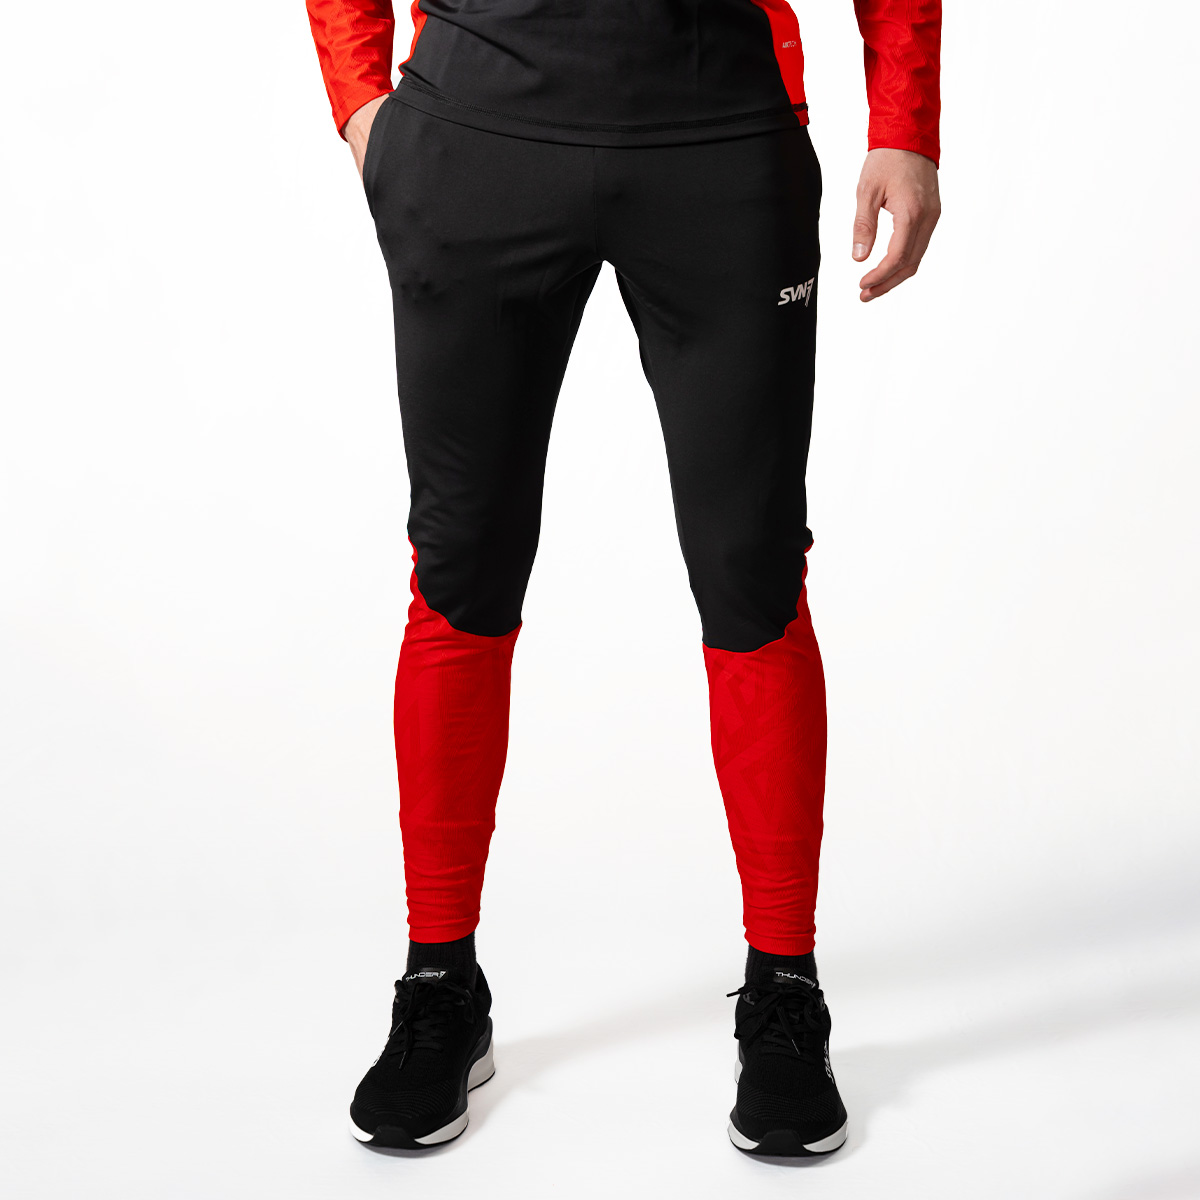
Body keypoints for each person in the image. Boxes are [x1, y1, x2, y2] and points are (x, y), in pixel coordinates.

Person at [306, 0, 940, 1156]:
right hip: (477, 128)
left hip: (717, 129)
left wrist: (904, 120)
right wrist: (361, 106)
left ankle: (784, 986)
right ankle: (440, 979)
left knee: (752, 570)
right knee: (460, 567)